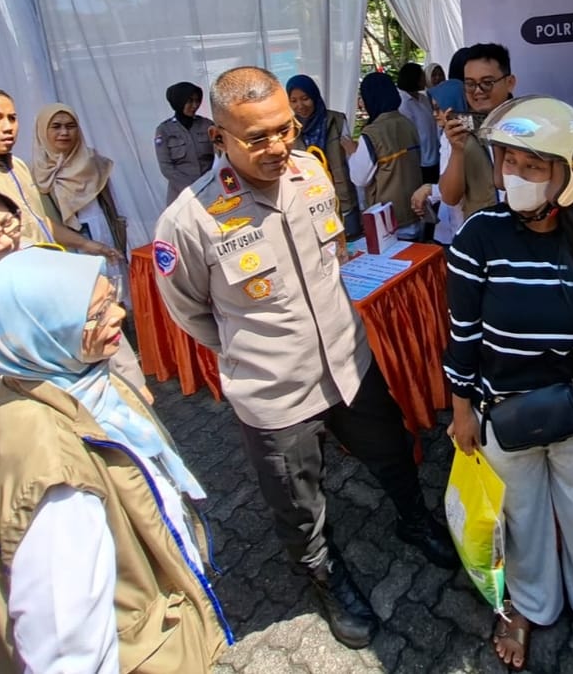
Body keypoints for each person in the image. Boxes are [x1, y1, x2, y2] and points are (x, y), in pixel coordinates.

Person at [153, 66, 455, 650]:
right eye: (256, 138)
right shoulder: (188, 220)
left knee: (393, 451)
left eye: (284, 128)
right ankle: (325, 578)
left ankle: (413, 519)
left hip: (348, 362)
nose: (276, 146)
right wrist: (254, 351)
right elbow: (189, 311)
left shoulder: (310, 170)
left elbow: (332, 257)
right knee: (299, 503)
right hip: (275, 391)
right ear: (219, 137)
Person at [0, 246, 230, 672]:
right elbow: (67, 647)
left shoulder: (57, 382)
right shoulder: (54, 476)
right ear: (44, 331)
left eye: (111, 297)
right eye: (95, 314)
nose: (120, 315)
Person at [444, 95, 573, 671]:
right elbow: (461, 335)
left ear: (570, 173)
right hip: (502, 410)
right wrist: (461, 411)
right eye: (510, 161)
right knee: (521, 518)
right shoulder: (477, 237)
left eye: (533, 166)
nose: (517, 175)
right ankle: (529, 605)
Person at [0, 176, 151, 518]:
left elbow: (100, 313)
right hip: (46, 480)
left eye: (8, 223)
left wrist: (134, 384)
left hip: (115, 435)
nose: (6, 241)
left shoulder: (38, 262)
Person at [0, 87, 120, 261]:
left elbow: (37, 222)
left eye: (12, 118)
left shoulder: (17, 166)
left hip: (48, 266)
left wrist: (87, 244)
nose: (8, 127)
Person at [32, 103, 128, 258]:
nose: (64, 132)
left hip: (102, 232)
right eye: (56, 127)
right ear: (42, 131)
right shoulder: (36, 172)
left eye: (70, 126)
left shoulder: (93, 162)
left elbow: (111, 206)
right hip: (66, 245)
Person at [437, 43, 512, 224]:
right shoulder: (457, 131)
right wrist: (457, 150)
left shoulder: (529, 123)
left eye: (487, 83)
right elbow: (450, 197)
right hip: (481, 231)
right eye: (470, 84)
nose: (478, 91)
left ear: (509, 82)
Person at [349, 72, 425, 241]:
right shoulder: (407, 123)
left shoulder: (372, 133)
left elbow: (359, 178)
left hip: (389, 221)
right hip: (416, 210)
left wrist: (352, 152)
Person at [285, 74, 360, 238]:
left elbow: (351, 160)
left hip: (343, 196)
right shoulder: (289, 129)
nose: (300, 105)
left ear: (314, 96)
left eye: (305, 98)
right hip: (311, 201)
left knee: (352, 242)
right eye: (294, 101)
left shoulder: (336, 120)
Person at [412, 79, 470, 244]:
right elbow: (445, 179)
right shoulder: (445, 137)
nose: (434, 114)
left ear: (453, 108)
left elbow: (462, 185)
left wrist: (430, 190)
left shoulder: (469, 140)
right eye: (433, 108)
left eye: (439, 108)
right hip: (449, 221)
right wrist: (430, 196)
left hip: (465, 220)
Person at [155, 81, 215, 205]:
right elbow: (166, 168)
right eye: (190, 101)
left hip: (210, 190)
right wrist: (193, 188)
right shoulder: (164, 130)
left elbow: (220, 156)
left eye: (197, 101)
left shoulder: (207, 125)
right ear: (179, 101)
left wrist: (209, 183)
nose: (195, 105)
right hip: (182, 194)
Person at [396, 62, 441, 185]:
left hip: (434, 154)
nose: (424, 79)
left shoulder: (423, 98)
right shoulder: (403, 103)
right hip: (420, 160)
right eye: (421, 76)